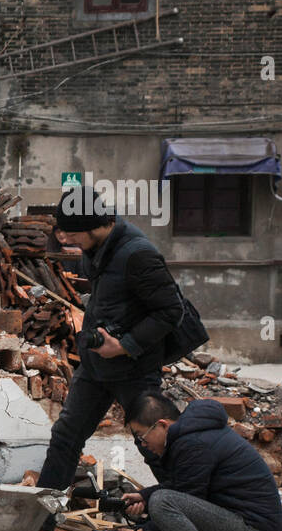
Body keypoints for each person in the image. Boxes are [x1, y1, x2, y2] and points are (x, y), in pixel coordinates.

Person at [36, 189, 185, 490]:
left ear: (94, 225)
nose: (66, 240)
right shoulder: (97, 249)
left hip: (135, 369)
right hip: (95, 368)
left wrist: (125, 344)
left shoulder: (138, 254)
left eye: (72, 234)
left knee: (151, 442)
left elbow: (171, 311)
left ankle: (186, 507)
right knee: (66, 435)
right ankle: (43, 516)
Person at [119, 391, 282, 531]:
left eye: (141, 436)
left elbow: (184, 499)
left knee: (162, 502)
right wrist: (144, 495)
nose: (143, 444)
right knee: (160, 498)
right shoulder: (196, 435)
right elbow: (186, 487)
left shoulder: (193, 443)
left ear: (162, 425)